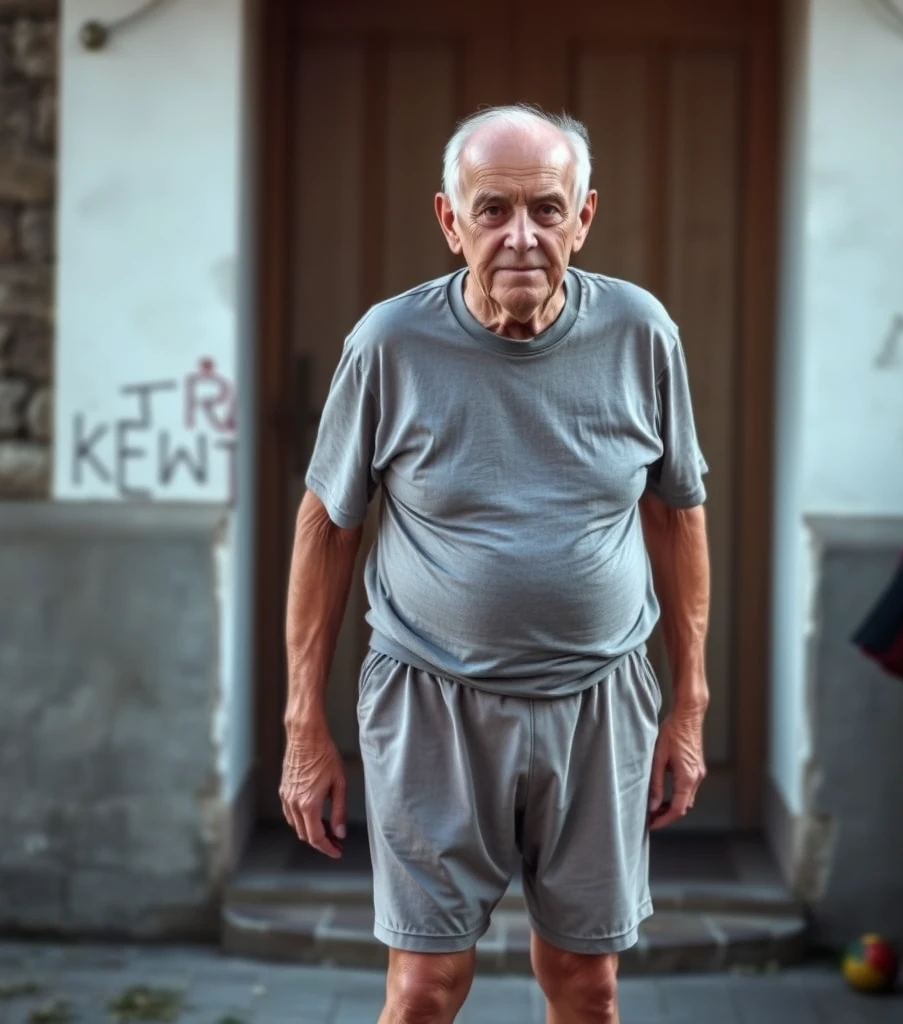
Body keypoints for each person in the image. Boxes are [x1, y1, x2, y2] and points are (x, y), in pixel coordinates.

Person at [279, 103, 711, 1024]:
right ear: (449, 220)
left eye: (547, 210)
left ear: (584, 216)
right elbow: (325, 533)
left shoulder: (642, 333)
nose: (522, 236)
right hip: (430, 701)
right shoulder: (388, 346)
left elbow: (677, 517)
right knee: (426, 987)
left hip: (599, 703)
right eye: (493, 211)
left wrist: (689, 704)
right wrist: (303, 726)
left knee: (587, 987)